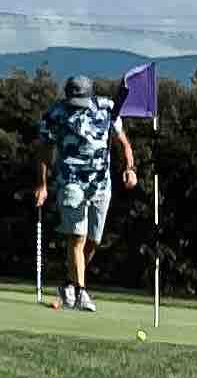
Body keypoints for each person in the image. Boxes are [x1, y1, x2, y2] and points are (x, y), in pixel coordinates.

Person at [36, 74, 130, 313]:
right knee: (77, 237)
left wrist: (130, 168)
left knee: (93, 241)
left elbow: (123, 142)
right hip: (71, 182)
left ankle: (68, 284)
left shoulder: (107, 108)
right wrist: (43, 184)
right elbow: (45, 152)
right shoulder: (55, 114)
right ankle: (81, 292)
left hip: (100, 184)